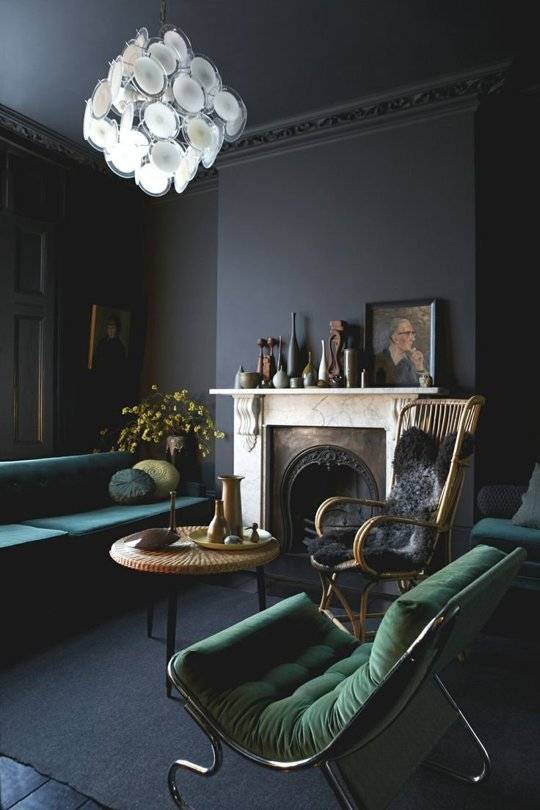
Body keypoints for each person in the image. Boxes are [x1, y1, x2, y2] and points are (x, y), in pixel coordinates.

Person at [375, 317, 425, 386]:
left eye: (413, 333)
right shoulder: (378, 360)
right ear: (395, 338)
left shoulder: (411, 363)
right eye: (408, 333)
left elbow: (423, 389)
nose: (413, 339)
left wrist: (419, 367)